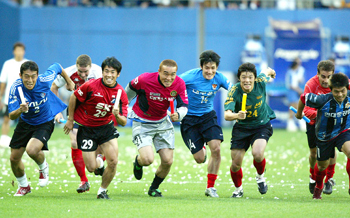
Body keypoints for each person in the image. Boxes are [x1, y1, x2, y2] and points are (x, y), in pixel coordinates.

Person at [63, 57, 128, 200]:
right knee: (91, 168)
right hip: (87, 129)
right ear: (102, 72)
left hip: (106, 128)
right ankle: (99, 162)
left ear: (118, 74)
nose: (109, 75)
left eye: (113, 72)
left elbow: (123, 122)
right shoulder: (91, 86)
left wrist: (117, 115)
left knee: (113, 161)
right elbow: (74, 97)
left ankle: (102, 191)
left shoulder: (120, 93)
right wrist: (70, 119)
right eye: (106, 71)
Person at [8, 61, 74, 196]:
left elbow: (57, 66)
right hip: (25, 122)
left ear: (38, 75)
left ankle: (43, 167)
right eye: (26, 76)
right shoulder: (16, 87)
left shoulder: (45, 79)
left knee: (31, 150)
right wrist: (20, 110)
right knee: (14, 158)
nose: (30, 80)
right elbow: (11, 116)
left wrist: (69, 81)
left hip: (45, 121)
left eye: (33, 76)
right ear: (20, 75)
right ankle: (24, 186)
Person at [125, 59, 188, 197]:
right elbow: (128, 92)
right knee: (147, 160)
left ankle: (154, 188)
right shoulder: (144, 79)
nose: (169, 78)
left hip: (163, 122)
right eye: (165, 73)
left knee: (167, 161)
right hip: (142, 121)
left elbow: (184, 105)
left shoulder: (179, 83)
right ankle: (138, 162)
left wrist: (179, 114)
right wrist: (122, 108)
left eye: (173, 74)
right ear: (158, 71)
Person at [179, 50, 232, 197]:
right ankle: (201, 144)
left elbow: (235, 90)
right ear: (201, 66)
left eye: (213, 68)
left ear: (216, 68)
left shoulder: (220, 78)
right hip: (189, 120)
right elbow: (172, 86)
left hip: (208, 117)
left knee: (216, 149)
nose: (210, 71)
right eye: (207, 67)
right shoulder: (188, 77)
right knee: (200, 159)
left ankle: (210, 187)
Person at [51, 54, 102, 193]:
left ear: (90, 67)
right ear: (76, 67)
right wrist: (58, 110)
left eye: (86, 72)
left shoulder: (99, 72)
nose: (84, 75)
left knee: (99, 141)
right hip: (76, 108)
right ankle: (84, 181)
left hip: (94, 110)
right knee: (74, 142)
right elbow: (54, 87)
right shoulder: (69, 72)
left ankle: (100, 160)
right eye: (81, 72)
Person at [224, 63, 276, 198]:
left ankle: (260, 177)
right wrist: (237, 115)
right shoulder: (234, 91)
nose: (247, 80)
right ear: (239, 78)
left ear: (254, 77)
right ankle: (238, 189)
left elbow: (266, 71)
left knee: (258, 153)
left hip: (261, 125)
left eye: (250, 77)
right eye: (243, 77)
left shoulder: (260, 82)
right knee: (235, 164)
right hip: (241, 128)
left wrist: (272, 72)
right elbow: (227, 115)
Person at [295, 72, 350, 199]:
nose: (340, 94)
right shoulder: (322, 100)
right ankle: (319, 187)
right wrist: (299, 114)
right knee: (321, 166)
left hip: (343, 132)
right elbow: (303, 97)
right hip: (324, 136)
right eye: (336, 92)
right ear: (331, 90)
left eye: (343, 91)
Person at [302, 60, 338, 195]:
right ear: (317, 74)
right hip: (314, 123)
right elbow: (306, 110)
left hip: (333, 123)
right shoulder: (310, 85)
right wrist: (323, 114)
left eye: (329, 77)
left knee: (331, 152)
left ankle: (329, 179)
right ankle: (313, 176)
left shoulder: (339, 83)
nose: (326, 80)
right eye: (323, 76)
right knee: (313, 153)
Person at [0, 42, 28, 148]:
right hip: (9, 98)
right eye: (17, 50)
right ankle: (3, 139)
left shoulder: (27, 64)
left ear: (24, 52)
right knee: (7, 118)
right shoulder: (8, 64)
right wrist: (0, 97)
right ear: (14, 51)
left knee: (25, 119)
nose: (19, 52)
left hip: (25, 98)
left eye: (21, 50)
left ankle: (25, 139)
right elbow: (3, 81)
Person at [285, 57, 305, 132]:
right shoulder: (290, 72)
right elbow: (291, 84)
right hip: (292, 91)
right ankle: (290, 123)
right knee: (293, 107)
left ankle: (298, 123)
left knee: (297, 107)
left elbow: (301, 81)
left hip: (296, 91)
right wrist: (298, 90)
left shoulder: (298, 72)